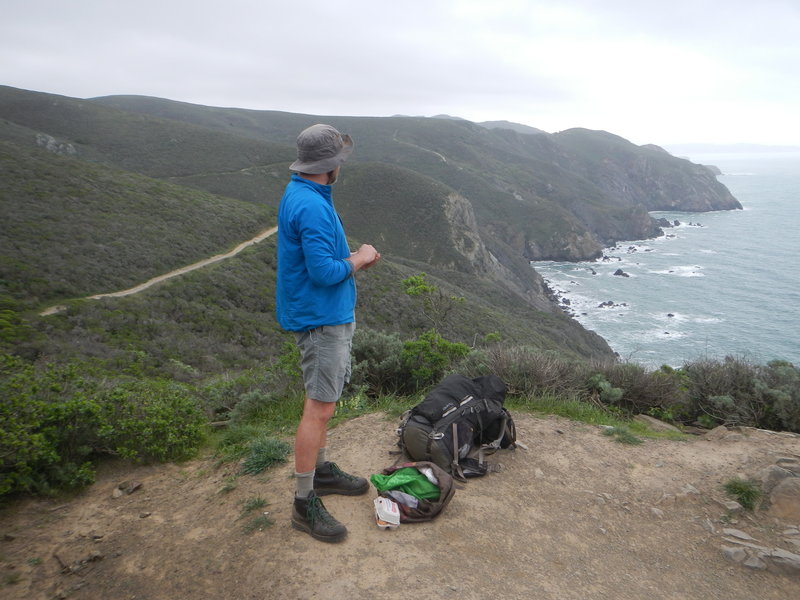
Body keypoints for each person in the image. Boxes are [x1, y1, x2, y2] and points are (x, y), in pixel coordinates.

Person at [276, 124, 380, 542]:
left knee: (324, 401)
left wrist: (351, 259)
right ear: (332, 165)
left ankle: (320, 473)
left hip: (321, 314)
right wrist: (360, 258)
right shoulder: (313, 206)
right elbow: (323, 272)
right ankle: (304, 503)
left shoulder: (302, 192)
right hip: (321, 320)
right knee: (318, 407)